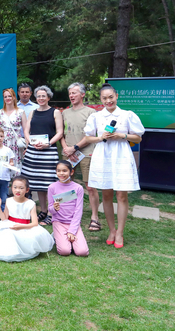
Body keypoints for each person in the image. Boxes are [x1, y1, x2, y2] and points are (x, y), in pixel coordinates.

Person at [83, 83, 144, 248]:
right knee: (106, 195)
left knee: (122, 195)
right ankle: (111, 230)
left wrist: (122, 135)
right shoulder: (96, 117)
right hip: (103, 156)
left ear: (116, 96)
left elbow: (138, 138)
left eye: (111, 97)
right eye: (104, 98)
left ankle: (120, 233)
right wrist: (100, 137)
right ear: (101, 99)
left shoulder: (127, 115)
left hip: (121, 155)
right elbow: (88, 137)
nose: (108, 101)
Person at [0, 176, 54, 262]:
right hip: (10, 224)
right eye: (15, 187)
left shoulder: (30, 203)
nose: (17, 190)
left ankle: (23, 250)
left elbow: (35, 223)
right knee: (8, 235)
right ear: (11, 188)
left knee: (32, 236)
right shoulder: (9, 200)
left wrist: (21, 226)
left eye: (21, 188)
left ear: (27, 190)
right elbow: (4, 218)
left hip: (25, 226)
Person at [60, 82, 100, 232]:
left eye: (74, 93)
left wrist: (75, 148)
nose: (71, 96)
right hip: (68, 153)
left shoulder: (91, 112)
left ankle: (95, 217)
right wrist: (66, 148)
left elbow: (91, 135)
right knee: (65, 183)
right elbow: (61, 133)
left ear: (82, 94)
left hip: (86, 153)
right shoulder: (64, 113)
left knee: (90, 186)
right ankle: (66, 214)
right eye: (70, 93)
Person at [21, 85, 63, 226]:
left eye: (43, 96)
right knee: (37, 183)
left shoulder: (55, 112)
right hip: (33, 151)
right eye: (38, 96)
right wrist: (30, 142)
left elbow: (60, 132)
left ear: (48, 97)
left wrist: (48, 144)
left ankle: (51, 213)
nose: (40, 98)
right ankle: (43, 211)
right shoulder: (32, 112)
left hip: (48, 152)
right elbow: (26, 131)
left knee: (49, 184)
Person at [48, 161, 89, 257]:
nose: (61, 173)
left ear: (71, 172)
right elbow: (50, 209)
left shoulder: (78, 188)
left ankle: (68, 238)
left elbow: (78, 210)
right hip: (59, 222)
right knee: (65, 251)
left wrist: (72, 230)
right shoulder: (52, 187)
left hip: (73, 222)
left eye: (64, 171)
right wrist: (54, 208)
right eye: (58, 171)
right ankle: (59, 236)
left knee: (82, 252)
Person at [0, 88, 28, 171]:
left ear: (14, 97)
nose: (7, 98)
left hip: (16, 143)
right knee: (2, 165)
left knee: (16, 165)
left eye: (9, 96)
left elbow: (26, 130)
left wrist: (27, 145)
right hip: (2, 142)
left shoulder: (20, 112)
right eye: (5, 97)